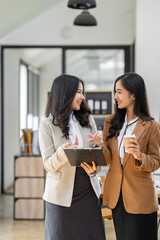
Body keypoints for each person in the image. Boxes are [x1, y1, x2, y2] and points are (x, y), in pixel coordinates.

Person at [88, 73, 160, 240]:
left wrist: (139, 155)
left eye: (120, 92)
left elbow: (156, 162)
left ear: (133, 94)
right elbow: (107, 160)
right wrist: (100, 146)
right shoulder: (110, 122)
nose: (116, 97)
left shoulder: (151, 126)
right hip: (116, 196)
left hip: (140, 197)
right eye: (115, 92)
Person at [39, 74, 106, 240]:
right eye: (79, 92)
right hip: (60, 195)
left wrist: (99, 147)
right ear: (65, 93)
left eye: (82, 92)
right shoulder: (47, 125)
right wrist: (63, 152)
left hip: (88, 190)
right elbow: (48, 165)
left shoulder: (88, 120)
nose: (82, 97)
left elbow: (95, 160)